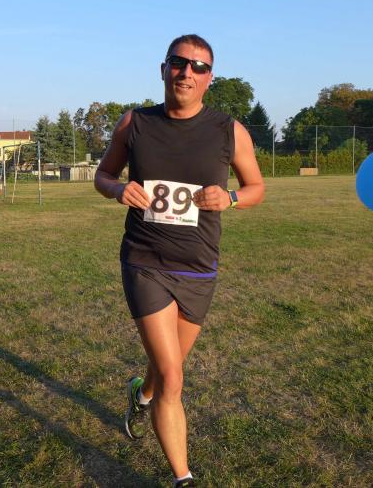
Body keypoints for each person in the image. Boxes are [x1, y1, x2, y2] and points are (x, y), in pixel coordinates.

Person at [94, 34, 264, 486]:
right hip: (145, 261)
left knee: (164, 371)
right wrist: (117, 189)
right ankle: (183, 478)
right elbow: (103, 174)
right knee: (173, 377)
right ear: (164, 69)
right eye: (178, 63)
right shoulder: (135, 123)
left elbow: (256, 188)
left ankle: (141, 393)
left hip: (198, 268)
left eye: (198, 67)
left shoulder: (229, 130)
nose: (187, 72)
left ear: (210, 78)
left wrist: (230, 197)